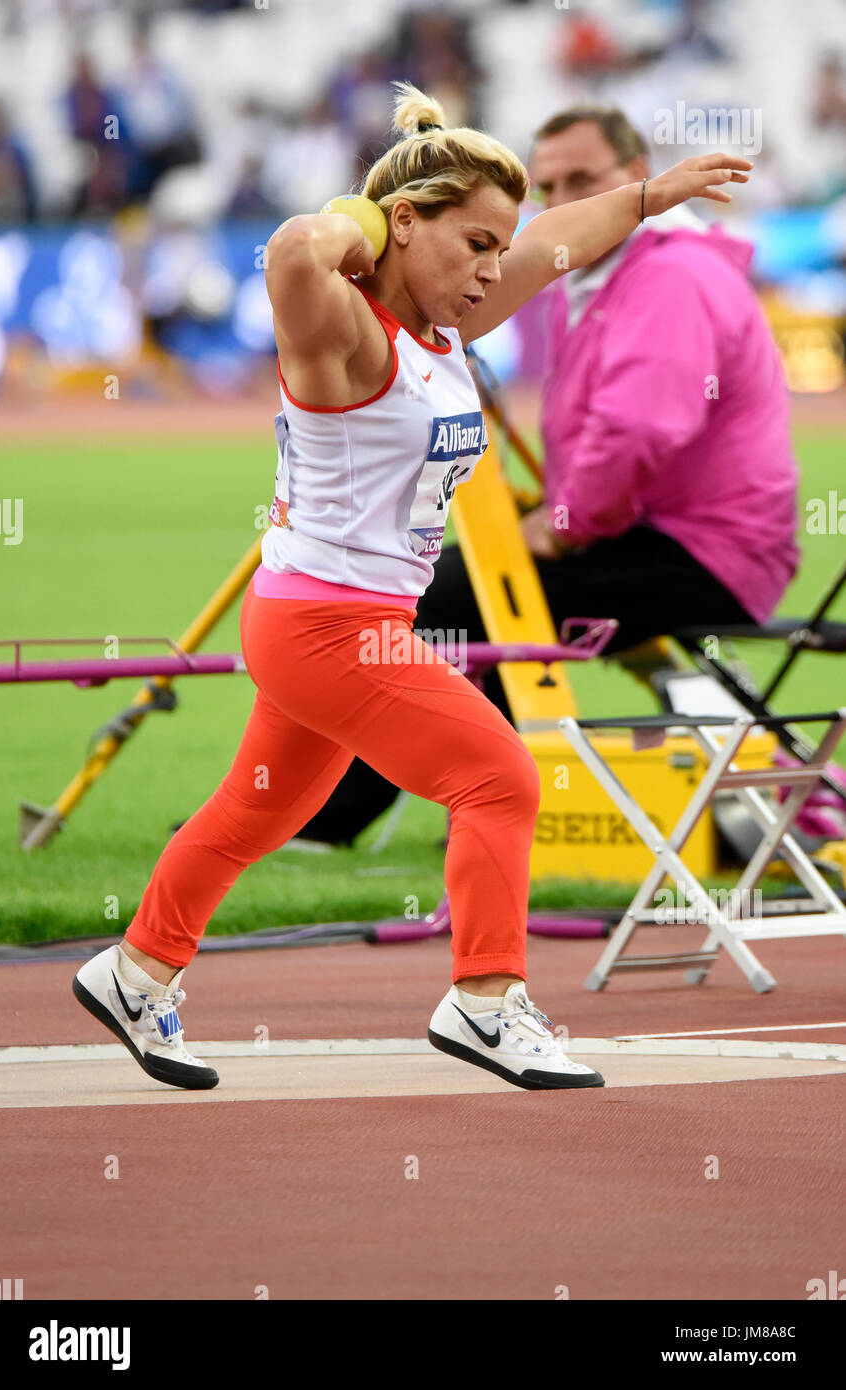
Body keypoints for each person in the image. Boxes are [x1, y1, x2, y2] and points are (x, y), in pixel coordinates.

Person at [73, 82, 750, 1094]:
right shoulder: (345, 334)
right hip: (325, 627)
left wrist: (647, 196)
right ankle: (484, 999)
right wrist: (357, 217)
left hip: (342, 621)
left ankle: (136, 970)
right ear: (402, 224)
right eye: (473, 242)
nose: (492, 267)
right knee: (501, 776)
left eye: (496, 245)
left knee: (255, 812)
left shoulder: (444, 327)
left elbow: (560, 238)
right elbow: (298, 250)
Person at [299, 103, 797, 848]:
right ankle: (489, 810)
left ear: (632, 177)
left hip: (697, 553)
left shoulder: (668, 277)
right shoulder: (613, 273)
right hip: (676, 537)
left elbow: (637, 431)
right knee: (484, 604)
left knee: (448, 600)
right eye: (550, 183)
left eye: (580, 180)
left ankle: (344, 819)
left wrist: (561, 526)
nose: (562, 200)